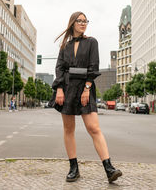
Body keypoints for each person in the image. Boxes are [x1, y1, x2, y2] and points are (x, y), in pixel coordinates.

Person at [50, 12, 122, 183]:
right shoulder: (64, 46)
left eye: (85, 21)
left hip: (85, 87)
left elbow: (93, 66)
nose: (83, 24)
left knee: (94, 128)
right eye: (80, 21)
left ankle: (109, 168)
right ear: (72, 23)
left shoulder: (91, 42)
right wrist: (59, 89)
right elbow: (59, 68)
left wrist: (87, 88)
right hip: (67, 88)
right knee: (68, 129)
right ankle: (73, 169)